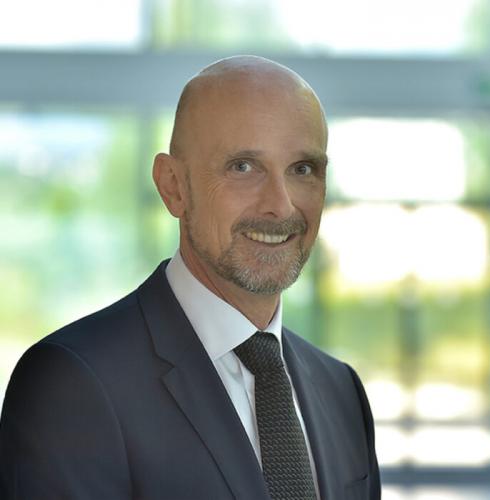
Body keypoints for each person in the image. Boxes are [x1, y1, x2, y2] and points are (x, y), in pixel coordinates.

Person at [0, 55, 380, 500]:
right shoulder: (72, 385)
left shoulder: (340, 390)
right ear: (173, 186)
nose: (280, 205)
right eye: (243, 166)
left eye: (302, 169)